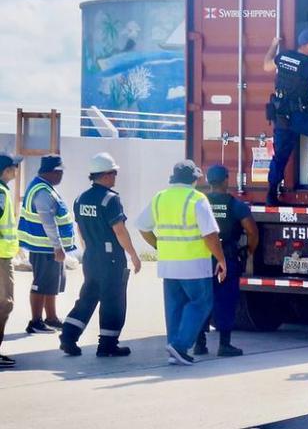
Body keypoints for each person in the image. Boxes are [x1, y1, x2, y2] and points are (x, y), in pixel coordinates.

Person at [136, 160, 227, 366]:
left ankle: (173, 349)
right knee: (201, 303)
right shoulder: (197, 199)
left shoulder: (160, 197)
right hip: (194, 265)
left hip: (169, 264)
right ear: (194, 179)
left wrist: (160, 245)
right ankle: (180, 345)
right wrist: (221, 259)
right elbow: (210, 235)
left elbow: (142, 226)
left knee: (174, 307)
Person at [59, 153, 142, 357]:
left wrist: (88, 249)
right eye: (113, 173)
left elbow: (80, 229)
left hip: (91, 256)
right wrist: (133, 254)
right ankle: (107, 345)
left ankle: (68, 336)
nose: (115, 177)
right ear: (105, 175)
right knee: (113, 300)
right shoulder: (110, 199)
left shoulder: (81, 199)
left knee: (87, 297)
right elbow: (119, 230)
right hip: (111, 259)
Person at [194, 164, 258, 357]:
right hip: (227, 258)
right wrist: (249, 251)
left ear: (208, 181)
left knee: (202, 299)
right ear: (226, 180)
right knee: (226, 300)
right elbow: (252, 231)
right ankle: (224, 344)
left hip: (202, 258)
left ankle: (199, 344)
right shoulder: (235, 205)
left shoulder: (200, 202)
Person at [263, 29, 308, 204]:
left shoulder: (283, 57)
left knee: (280, 156)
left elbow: (266, 65)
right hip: (297, 117)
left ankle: (271, 194)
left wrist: (273, 45)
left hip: (280, 116)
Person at [18, 155, 75, 334]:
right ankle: (35, 322)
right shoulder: (42, 191)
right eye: (59, 172)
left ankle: (51, 318)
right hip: (45, 248)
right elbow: (48, 221)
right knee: (41, 284)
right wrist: (57, 246)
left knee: (52, 283)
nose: (61, 176)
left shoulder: (44, 187)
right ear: (52, 172)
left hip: (48, 247)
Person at [0, 154, 22, 368]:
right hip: (0, 258)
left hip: (4, 255)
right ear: (6, 170)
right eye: (14, 167)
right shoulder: (0, 192)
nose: (17, 170)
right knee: (4, 304)